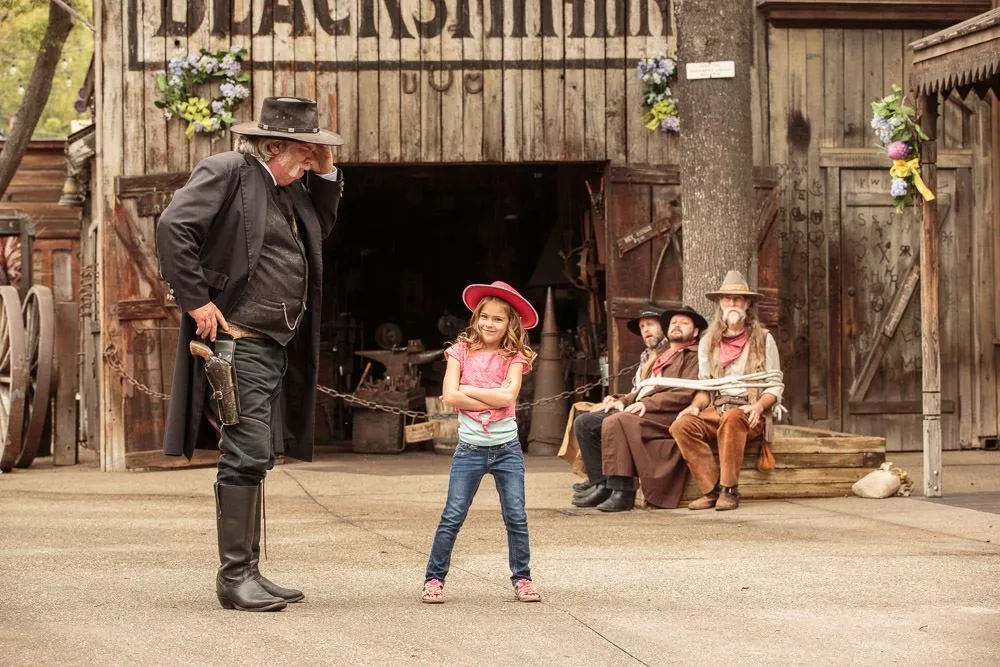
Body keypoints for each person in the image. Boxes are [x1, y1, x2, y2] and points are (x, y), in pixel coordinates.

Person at [156, 97, 344, 611]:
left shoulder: (289, 189)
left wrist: (325, 175)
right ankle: (235, 577)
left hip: (272, 344)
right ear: (275, 145)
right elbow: (175, 228)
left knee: (257, 452)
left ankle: (251, 572)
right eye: (305, 152)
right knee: (247, 452)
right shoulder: (228, 170)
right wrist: (196, 300)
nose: (311, 160)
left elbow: (319, 231)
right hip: (238, 341)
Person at [422, 281, 540, 604]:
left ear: (510, 324)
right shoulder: (459, 350)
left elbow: (509, 396)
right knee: (453, 514)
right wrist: (489, 397)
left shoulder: (515, 356)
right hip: (470, 451)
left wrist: (469, 391)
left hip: (507, 451)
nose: (489, 323)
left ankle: (523, 578)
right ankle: (434, 578)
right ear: (475, 318)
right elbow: (449, 395)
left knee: (515, 515)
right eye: (484, 316)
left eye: (498, 319)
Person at [669, 270, 783, 511]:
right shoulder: (708, 341)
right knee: (682, 425)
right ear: (720, 303)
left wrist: (759, 406)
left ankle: (729, 491)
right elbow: (705, 387)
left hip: (747, 412)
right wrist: (694, 407)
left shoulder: (763, 339)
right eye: (728, 299)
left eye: (738, 299)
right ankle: (711, 491)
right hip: (716, 409)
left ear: (748, 304)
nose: (733, 303)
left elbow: (774, 384)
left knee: (732, 418)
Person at [594, 306, 707, 512]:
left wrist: (647, 404)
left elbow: (685, 392)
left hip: (670, 414)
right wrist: (624, 400)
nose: (676, 326)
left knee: (616, 420)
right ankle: (603, 484)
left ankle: (623, 492)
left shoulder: (694, 355)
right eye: (673, 323)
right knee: (591, 420)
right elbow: (644, 388)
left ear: (696, 332)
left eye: (683, 323)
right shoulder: (663, 356)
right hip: (651, 410)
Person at [571, 306, 668, 505]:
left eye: (650, 324)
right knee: (583, 419)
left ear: (663, 327)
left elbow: (662, 390)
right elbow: (639, 389)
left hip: (654, 411)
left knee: (601, 422)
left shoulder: (669, 352)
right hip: (638, 405)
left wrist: (634, 403)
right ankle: (600, 482)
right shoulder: (647, 355)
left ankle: (617, 487)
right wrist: (620, 400)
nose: (646, 330)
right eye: (642, 327)